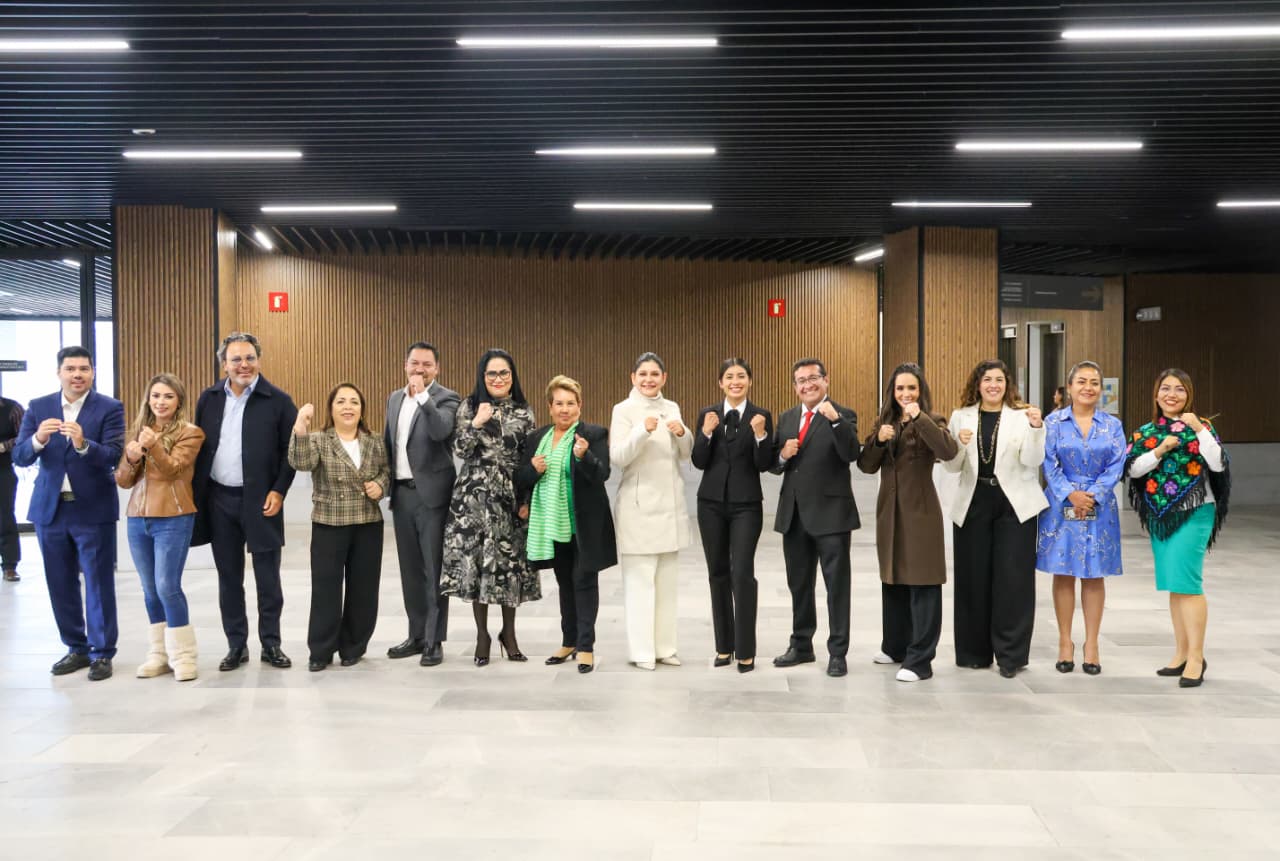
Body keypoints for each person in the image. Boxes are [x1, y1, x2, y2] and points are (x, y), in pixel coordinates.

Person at [13, 346, 125, 680]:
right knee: (59, 582)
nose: (77, 375)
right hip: (51, 511)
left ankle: (102, 653)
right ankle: (76, 648)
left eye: (84, 369)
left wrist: (82, 444)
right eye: (71, 369)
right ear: (59, 373)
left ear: (93, 372)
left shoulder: (109, 408)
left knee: (98, 583)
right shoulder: (38, 407)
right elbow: (20, 456)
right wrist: (38, 438)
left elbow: (113, 455)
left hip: (92, 509)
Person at [192, 332, 298, 672]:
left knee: (268, 579)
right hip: (219, 500)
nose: (244, 365)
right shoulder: (208, 399)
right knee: (229, 578)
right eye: (236, 359)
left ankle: (271, 644)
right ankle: (236, 645)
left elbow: (290, 451)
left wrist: (279, 490)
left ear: (258, 360)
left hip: (262, 501)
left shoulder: (278, 401)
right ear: (224, 364)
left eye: (250, 358)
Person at [1124, 368, 1229, 688]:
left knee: (1189, 583)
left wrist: (1198, 428)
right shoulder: (1145, 432)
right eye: (1166, 388)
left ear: (1189, 394)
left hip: (1196, 511)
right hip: (1161, 516)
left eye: (1179, 389)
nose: (1172, 394)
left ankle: (1196, 657)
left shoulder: (1202, 426)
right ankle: (1182, 653)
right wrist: (1160, 450)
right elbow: (1133, 470)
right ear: (1156, 394)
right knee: (1175, 583)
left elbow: (1218, 463)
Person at [942, 360, 1046, 679]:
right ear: (978, 384)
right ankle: (973, 653)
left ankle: (1011, 656)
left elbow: (1033, 460)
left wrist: (1036, 429)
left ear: (1007, 384)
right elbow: (952, 467)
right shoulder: (960, 416)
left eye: (999, 380)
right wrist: (959, 445)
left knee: (1013, 580)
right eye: (987, 379)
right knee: (972, 579)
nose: (993, 385)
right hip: (974, 502)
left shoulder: (1022, 416)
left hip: (1014, 504)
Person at [857, 363, 957, 682]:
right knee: (893, 579)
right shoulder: (885, 422)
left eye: (911, 388)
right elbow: (866, 466)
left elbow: (948, 451)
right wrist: (877, 440)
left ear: (920, 391)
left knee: (923, 583)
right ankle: (895, 646)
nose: (905, 394)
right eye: (900, 388)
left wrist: (919, 418)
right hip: (890, 513)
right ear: (892, 392)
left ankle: (920, 660)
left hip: (920, 513)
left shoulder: (932, 420)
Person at [441, 349, 539, 665]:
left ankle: (509, 634)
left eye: (503, 373)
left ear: (512, 376)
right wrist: (477, 423)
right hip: (474, 498)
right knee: (477, 565)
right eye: (491, 373)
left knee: (510, 566)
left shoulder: (524, 410)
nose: (498, 379)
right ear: (482, 377)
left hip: (509, 496)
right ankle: (482, 635)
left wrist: (525, 500)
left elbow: (528, 459)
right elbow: (459, 449)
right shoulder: (469, 406)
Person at [516, 375, 616, 675]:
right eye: (559, 403)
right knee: (565, 584)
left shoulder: (593, 434)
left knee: (584, 582)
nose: (565, 409)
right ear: (550, 407)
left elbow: (602, 474)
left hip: (583, 524)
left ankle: (586, 647)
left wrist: (584, 456)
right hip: (552, 523)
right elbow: (521, 478)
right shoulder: (537, 438)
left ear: (579, 406)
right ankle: (568, 641)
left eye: (570, 403)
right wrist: (532, 470)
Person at [289, 383, 390, 671]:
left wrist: (380, 485)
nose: (348, 407)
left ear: (362, 409)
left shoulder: (374, 440)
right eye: (341, 401)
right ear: (331, 409)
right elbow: (301, 462)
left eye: (354, 402)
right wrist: (300, 427)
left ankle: (354, 646)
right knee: (326, 589)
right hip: (329, 523)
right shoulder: (319, 439)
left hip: (367, 523)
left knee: (364, 589)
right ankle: (320, 651)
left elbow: (387, 471)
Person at [771, 357, 861, 677]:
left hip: (831, 515)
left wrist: (835, 421)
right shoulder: (787, 417)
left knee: (836, 587)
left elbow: (851, 453)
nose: (807, 385)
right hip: (794, 515)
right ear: (795, 386)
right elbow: (773, 463)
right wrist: (782, 455)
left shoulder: (843, 414)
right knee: (799, 585)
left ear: (826, 380)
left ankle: (838, 652)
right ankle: (801, 645)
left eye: (813, 378)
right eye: (801, 380)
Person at [115, 374, 206, 681]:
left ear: (178, 401)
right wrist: (130, 458)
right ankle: (159, 654)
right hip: (138, 518)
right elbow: (124, 481)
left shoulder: (191, 433)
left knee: (167, 586)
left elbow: (173, 470)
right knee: (150, 589)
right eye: (155, 396)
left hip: (173, 517)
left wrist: (152, 447)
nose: (161, 402)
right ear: (148, 399)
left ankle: (183, 656)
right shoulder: (140, 431)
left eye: (168, 396)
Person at [1038, 360, 1126, 676]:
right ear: (1070, 387)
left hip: (1099, 507)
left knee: (1094, 574)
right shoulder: (1053, 422)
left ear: (1100, 389)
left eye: (1094, 383)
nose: (1088, 387)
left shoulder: (1112, 425)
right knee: (1063, 573)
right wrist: (1070, 494)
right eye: (1082, 382)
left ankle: (1092, 644)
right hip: (1061, 504)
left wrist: (1092, 495)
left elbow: (1117, 464)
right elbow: (1048, 463)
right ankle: (1065, 642)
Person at [690, 358, 774, 673]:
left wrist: (761, 437)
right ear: (720, 383)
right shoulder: (708, 414)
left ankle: (746, 650)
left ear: (749, 381)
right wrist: (706, 433)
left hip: (746, 505)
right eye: (729, 376)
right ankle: (724, 646)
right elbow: (699, 461)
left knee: (742, 573)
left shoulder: (761, 416)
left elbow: (763, 464)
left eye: (741, 376)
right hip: (710, 504)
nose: (735, 381)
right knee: (718, 573)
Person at [610, 352, 693, 671]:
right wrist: (641, 431)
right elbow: (619, 456)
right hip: (638, 508)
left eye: (654, 374)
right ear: (633, 378)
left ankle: (665, 647)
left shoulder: (671, 407)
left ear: (664, 378)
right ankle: (642, 651)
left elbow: (685, 453)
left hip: (670, 506)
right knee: (640, 584)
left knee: (667, 585)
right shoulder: (623, 410)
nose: (649, 379)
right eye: (642, 374)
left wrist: (682, 433)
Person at [384, 341, 461, 666]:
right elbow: (390, 444)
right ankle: (416, 635)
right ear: (405, 365)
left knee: (434, 569)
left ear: (436, 369)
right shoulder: (394, 399)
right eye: (414, 363)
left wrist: (423, 399)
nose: (420, 369)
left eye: (427, 364)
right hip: (402, 494)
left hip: (432, 497)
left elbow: (441, 430)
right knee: (410, 571)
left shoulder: (447, 398)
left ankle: (434, 639)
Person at [0, 395, 24, 582]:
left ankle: (9, 565)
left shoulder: (12, 408)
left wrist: (3, 446)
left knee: (5, 517)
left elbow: (25, 436)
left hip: (3, 470)